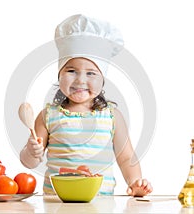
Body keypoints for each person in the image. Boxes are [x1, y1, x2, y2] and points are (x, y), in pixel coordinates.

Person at [20, 14, 153, 196]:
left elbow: (126, 157)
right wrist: (31, 152)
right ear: (59, 74)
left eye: (91, 73)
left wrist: (135, 182)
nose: (81, 80)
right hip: (56, 205)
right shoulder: (47, 116)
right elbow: (30, 163)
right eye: (71, 70)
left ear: (102, 79)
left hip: (101, 204)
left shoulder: (112, 117)